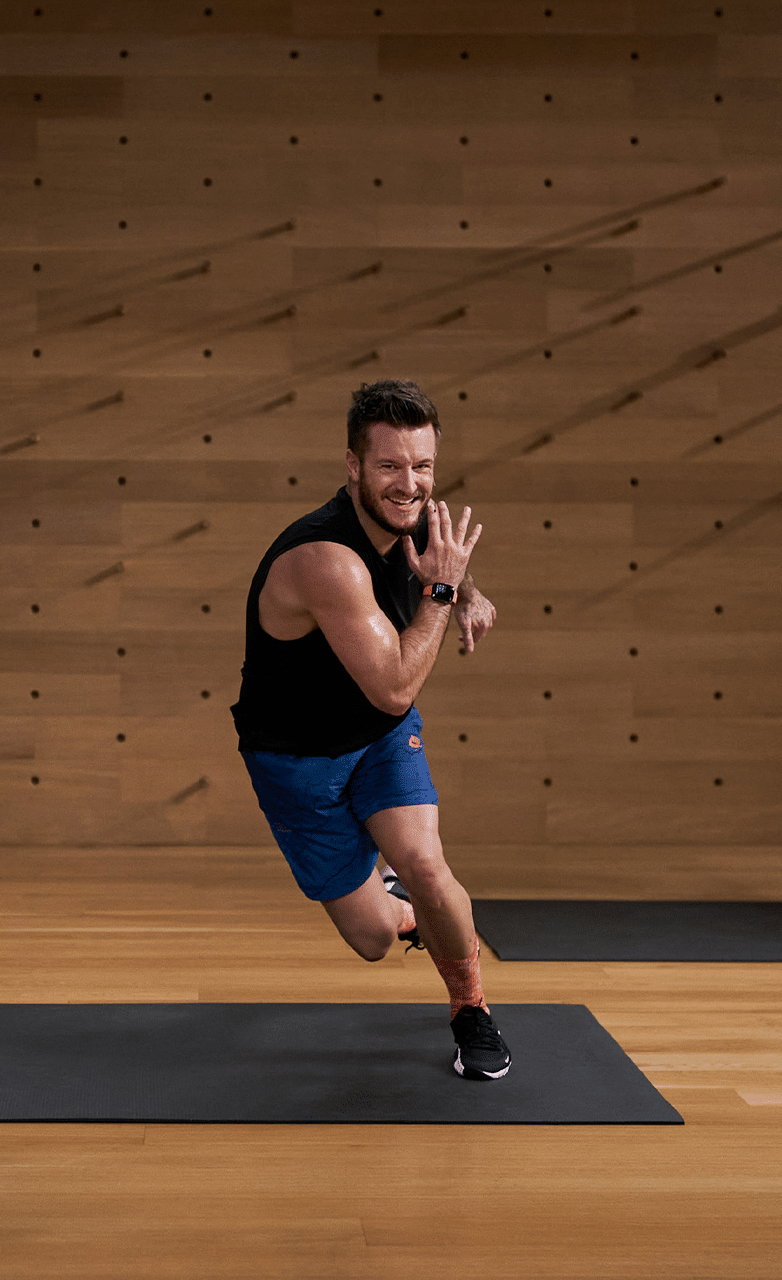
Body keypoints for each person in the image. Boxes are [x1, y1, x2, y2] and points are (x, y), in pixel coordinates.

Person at [232, 379, 511, 1079]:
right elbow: (392, 687)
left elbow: (435, 572)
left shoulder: (408, 517)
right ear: (354, 467)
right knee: (372, 940)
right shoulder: (325, 559)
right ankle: (396, 906)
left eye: (422, 467)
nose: (409, 485)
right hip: (296, 762)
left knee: (426, 865)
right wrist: (446, 594)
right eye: (389, 466)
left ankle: (471, 1008)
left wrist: (465, 592)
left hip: (377, 740)